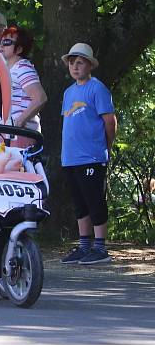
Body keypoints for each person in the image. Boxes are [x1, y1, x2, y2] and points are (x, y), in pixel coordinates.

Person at [59, 43, 117, 265]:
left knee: (95, 201)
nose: (75, 66)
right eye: (72, 62)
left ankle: (100, 248)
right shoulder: (68, 92)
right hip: (71, 157)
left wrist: (105, 146)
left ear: (90, 65)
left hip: (91, 157)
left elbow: (109, 122)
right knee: (79, 203)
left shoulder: (97, 88)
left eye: (80, 62)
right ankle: (84, 246)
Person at [0, 26, 48, 147]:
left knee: (19, 166)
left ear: (19, 48)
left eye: (7, 42)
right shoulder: (6, 69)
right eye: (1, 41)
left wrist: (18, 122)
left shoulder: (22, 67)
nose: (2, 45)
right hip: (7, 133)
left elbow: (40, 98)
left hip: (19, 134)